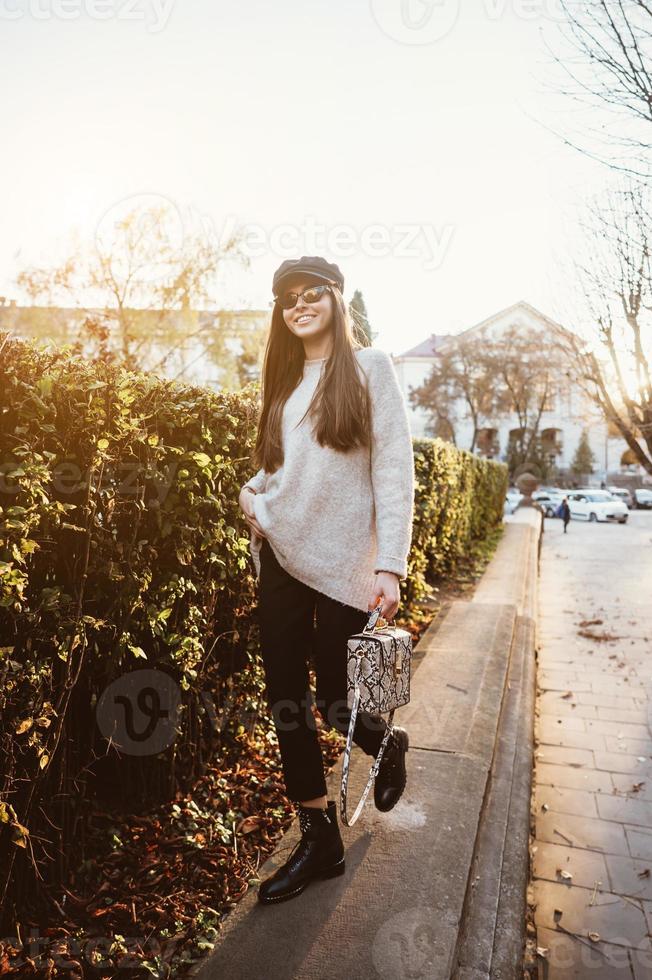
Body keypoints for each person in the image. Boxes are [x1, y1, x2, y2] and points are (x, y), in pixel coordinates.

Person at [238, 256, 415, 904]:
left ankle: (383, 740)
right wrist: (251, 495)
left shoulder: (371, 369)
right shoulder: (282, 381)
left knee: (338, 701)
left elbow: (393, 472)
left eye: (314, 294)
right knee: (286, 694)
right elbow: (274, 469)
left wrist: (390, 564)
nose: (301, 305)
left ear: (337, 301)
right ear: (280, 312)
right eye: (289, 298)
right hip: (282, 554)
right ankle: (320, 838)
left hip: (345, 563)